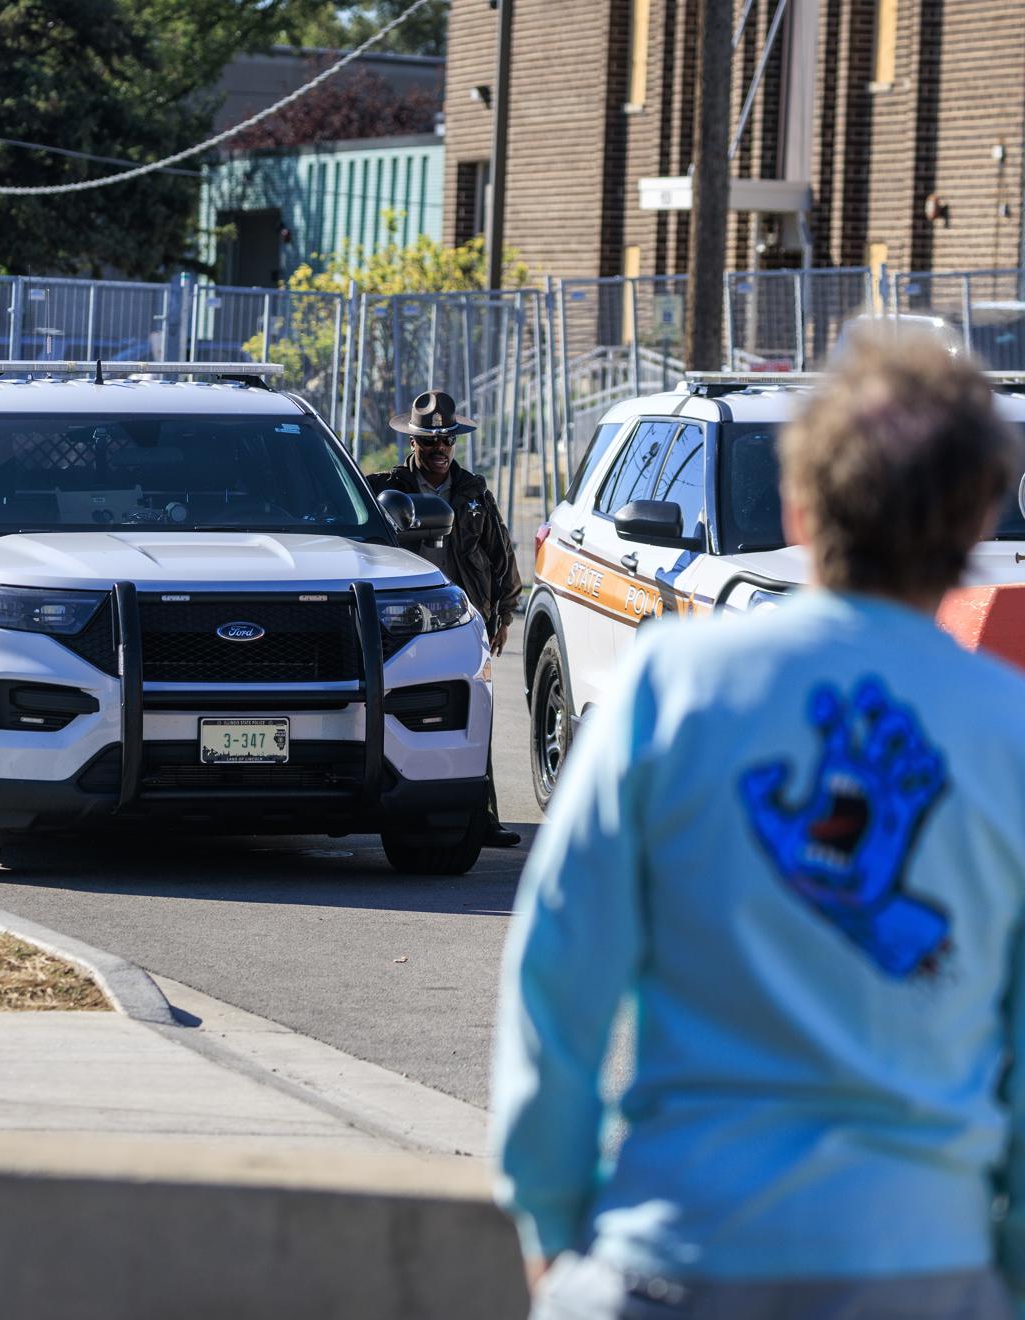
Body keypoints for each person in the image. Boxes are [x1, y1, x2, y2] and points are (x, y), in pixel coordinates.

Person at [490, 330, 1025, 1319]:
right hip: (926, 1271)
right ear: (980, 511)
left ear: (797, 501)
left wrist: (555, 1229)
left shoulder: (667, 689)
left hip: (675, 1262)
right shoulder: (1009, 735)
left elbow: (558, 984)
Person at [367, 390, 524, 848]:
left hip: (466, 623)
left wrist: (503, 614)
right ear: (412, 444)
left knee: (476, 716)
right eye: (430, 443)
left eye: (447, 443)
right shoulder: (384, 489)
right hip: (404, 626)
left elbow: (501, 557)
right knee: (398, 715)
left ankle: (482, 819)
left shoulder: (474, 492)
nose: (440, 451)